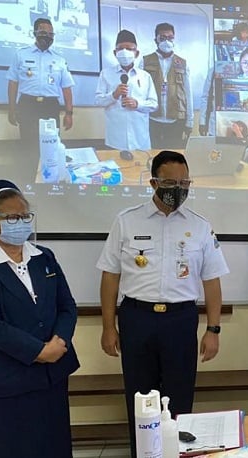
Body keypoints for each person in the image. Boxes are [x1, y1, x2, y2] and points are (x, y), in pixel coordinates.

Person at [97, 150, 229, 458]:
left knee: (179, 398)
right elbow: (110, 277)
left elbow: (212, 281)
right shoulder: (127, 221)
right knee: (140, 399)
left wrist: (214, 329)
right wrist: (108, 327)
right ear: (154, 183)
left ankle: (177, 454)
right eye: (171, 182)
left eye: (184, 183)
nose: (178, 190)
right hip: (137, 318)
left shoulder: (199, 226)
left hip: (180, 320)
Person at [0, 179, 79, 458]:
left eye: (25, 216)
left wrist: (60, 341)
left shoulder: (44, 257)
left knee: (53, 447)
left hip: (52, 376)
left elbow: (67, 306)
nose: (21, 222)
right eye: (12, 217)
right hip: (7, 381)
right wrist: (39, 351)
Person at [7, 18, 74, 149]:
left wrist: (69, 113)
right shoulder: (21, 54)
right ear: (35, 33)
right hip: (27, 105)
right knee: (28, 146)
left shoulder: (59, 59)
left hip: (50, 106)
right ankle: (29, 170)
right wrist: (11, 109)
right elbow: (13, 83)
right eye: (43, 32)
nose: (47, 36)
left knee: (51, 146)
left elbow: (67, 88)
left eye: (50, 34)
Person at [96, 30, 158, 152]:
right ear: (115, 52)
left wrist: (137, 104)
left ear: (137, 53)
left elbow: (154, 104)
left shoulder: (145, 76)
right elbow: (98, 101)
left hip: (140, 139)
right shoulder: (106, 74)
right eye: (121, 48)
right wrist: (114, 95)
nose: (125, 52)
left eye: (130, 49)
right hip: (115, 140)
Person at [141, 23, 193, 149]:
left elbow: (188, 93)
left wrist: (190, 121)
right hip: (152, 119)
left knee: (172, 157)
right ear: (156, 40)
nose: (167, 41)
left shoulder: (182, 63)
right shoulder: (145, 61)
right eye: (162, 38)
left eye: (170, 38)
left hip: (176, 120)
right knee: (152, 155)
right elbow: (139, 92)